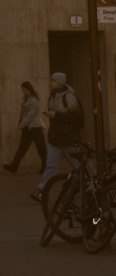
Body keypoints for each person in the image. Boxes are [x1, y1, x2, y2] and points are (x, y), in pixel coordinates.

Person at [34, 71, 84, 202]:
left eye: (54, 80)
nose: (51, 83)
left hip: (68, 138)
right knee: (51, 166)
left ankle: (94, 184)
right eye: (51, 80)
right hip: (55, 138)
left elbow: (76, 117)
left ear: (61, 82)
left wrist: (56, 115)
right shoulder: (51, 97)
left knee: (80, 165)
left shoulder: (69, 97)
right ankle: (42, 190)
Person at [2, 82, 46, 175]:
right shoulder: (24, 99)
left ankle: (46, 167)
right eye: (22, 90)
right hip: (27, 127)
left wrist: (22, 124)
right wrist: (21, 123)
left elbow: (30, 115)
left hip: (35, 127)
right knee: (22, 148)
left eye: (24, 90)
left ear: (28, 89)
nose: (23, 92)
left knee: (41, 148)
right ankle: (14, 166)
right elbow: (23, 113)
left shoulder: (34, 100)